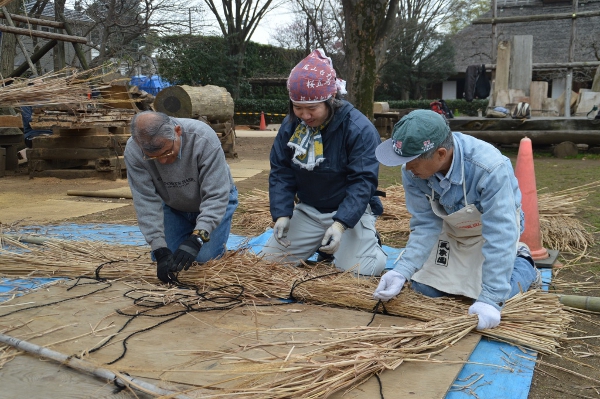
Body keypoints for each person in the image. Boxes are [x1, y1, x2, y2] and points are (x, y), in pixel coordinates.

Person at [372, 110, 541, 330]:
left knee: (497, 294)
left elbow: (500, 233)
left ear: (441, 153)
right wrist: (402, 270)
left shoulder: (489, 168)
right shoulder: (413, 172)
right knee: (425, 288)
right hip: (452, 230)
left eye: (411, 161)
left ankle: (523, 262)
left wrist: (490, 299)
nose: (407, 168)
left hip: (490, 233)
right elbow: (425, 223)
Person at [259, 49, 386, 276]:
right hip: (309, 211)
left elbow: (362, 181)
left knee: (363, 271)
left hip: (348, 213)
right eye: (298, 108)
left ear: (331, 100)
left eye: (312, 108)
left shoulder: (358, 129)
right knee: (268, 265)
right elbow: (281, 171)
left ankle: (366, 241)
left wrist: (340, 224)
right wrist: (281, 214)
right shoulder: (291, 127)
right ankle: (324, 246)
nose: (305, 116)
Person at [124, 111, 238, 283]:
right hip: (174, 206)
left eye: (167, 152)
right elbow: (145, 201)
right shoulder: (134, 150)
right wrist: (159, 248)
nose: (162, 162)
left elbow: (216, 194)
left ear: (177, 131)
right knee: (167, 259)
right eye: (153, 158)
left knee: (202, 259)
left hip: (214, 202)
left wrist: (197, 238)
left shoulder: (203, 138)